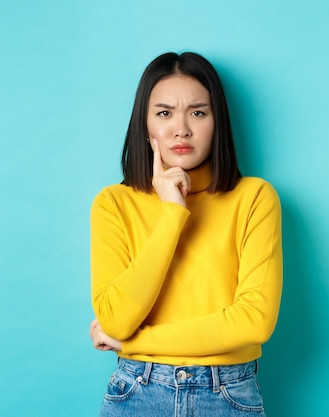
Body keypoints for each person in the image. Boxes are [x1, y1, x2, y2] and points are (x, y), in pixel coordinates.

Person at [89, 51, 283, 417]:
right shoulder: (113, 203)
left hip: (228, 394)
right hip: (137, 391)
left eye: (198, 112)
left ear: (217, 121)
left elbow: (254, 322)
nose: (182, 129)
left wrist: (138, 342)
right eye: (164, 113)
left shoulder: (254, 198)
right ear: (144, 124)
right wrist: (172, 214)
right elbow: (115, 319)